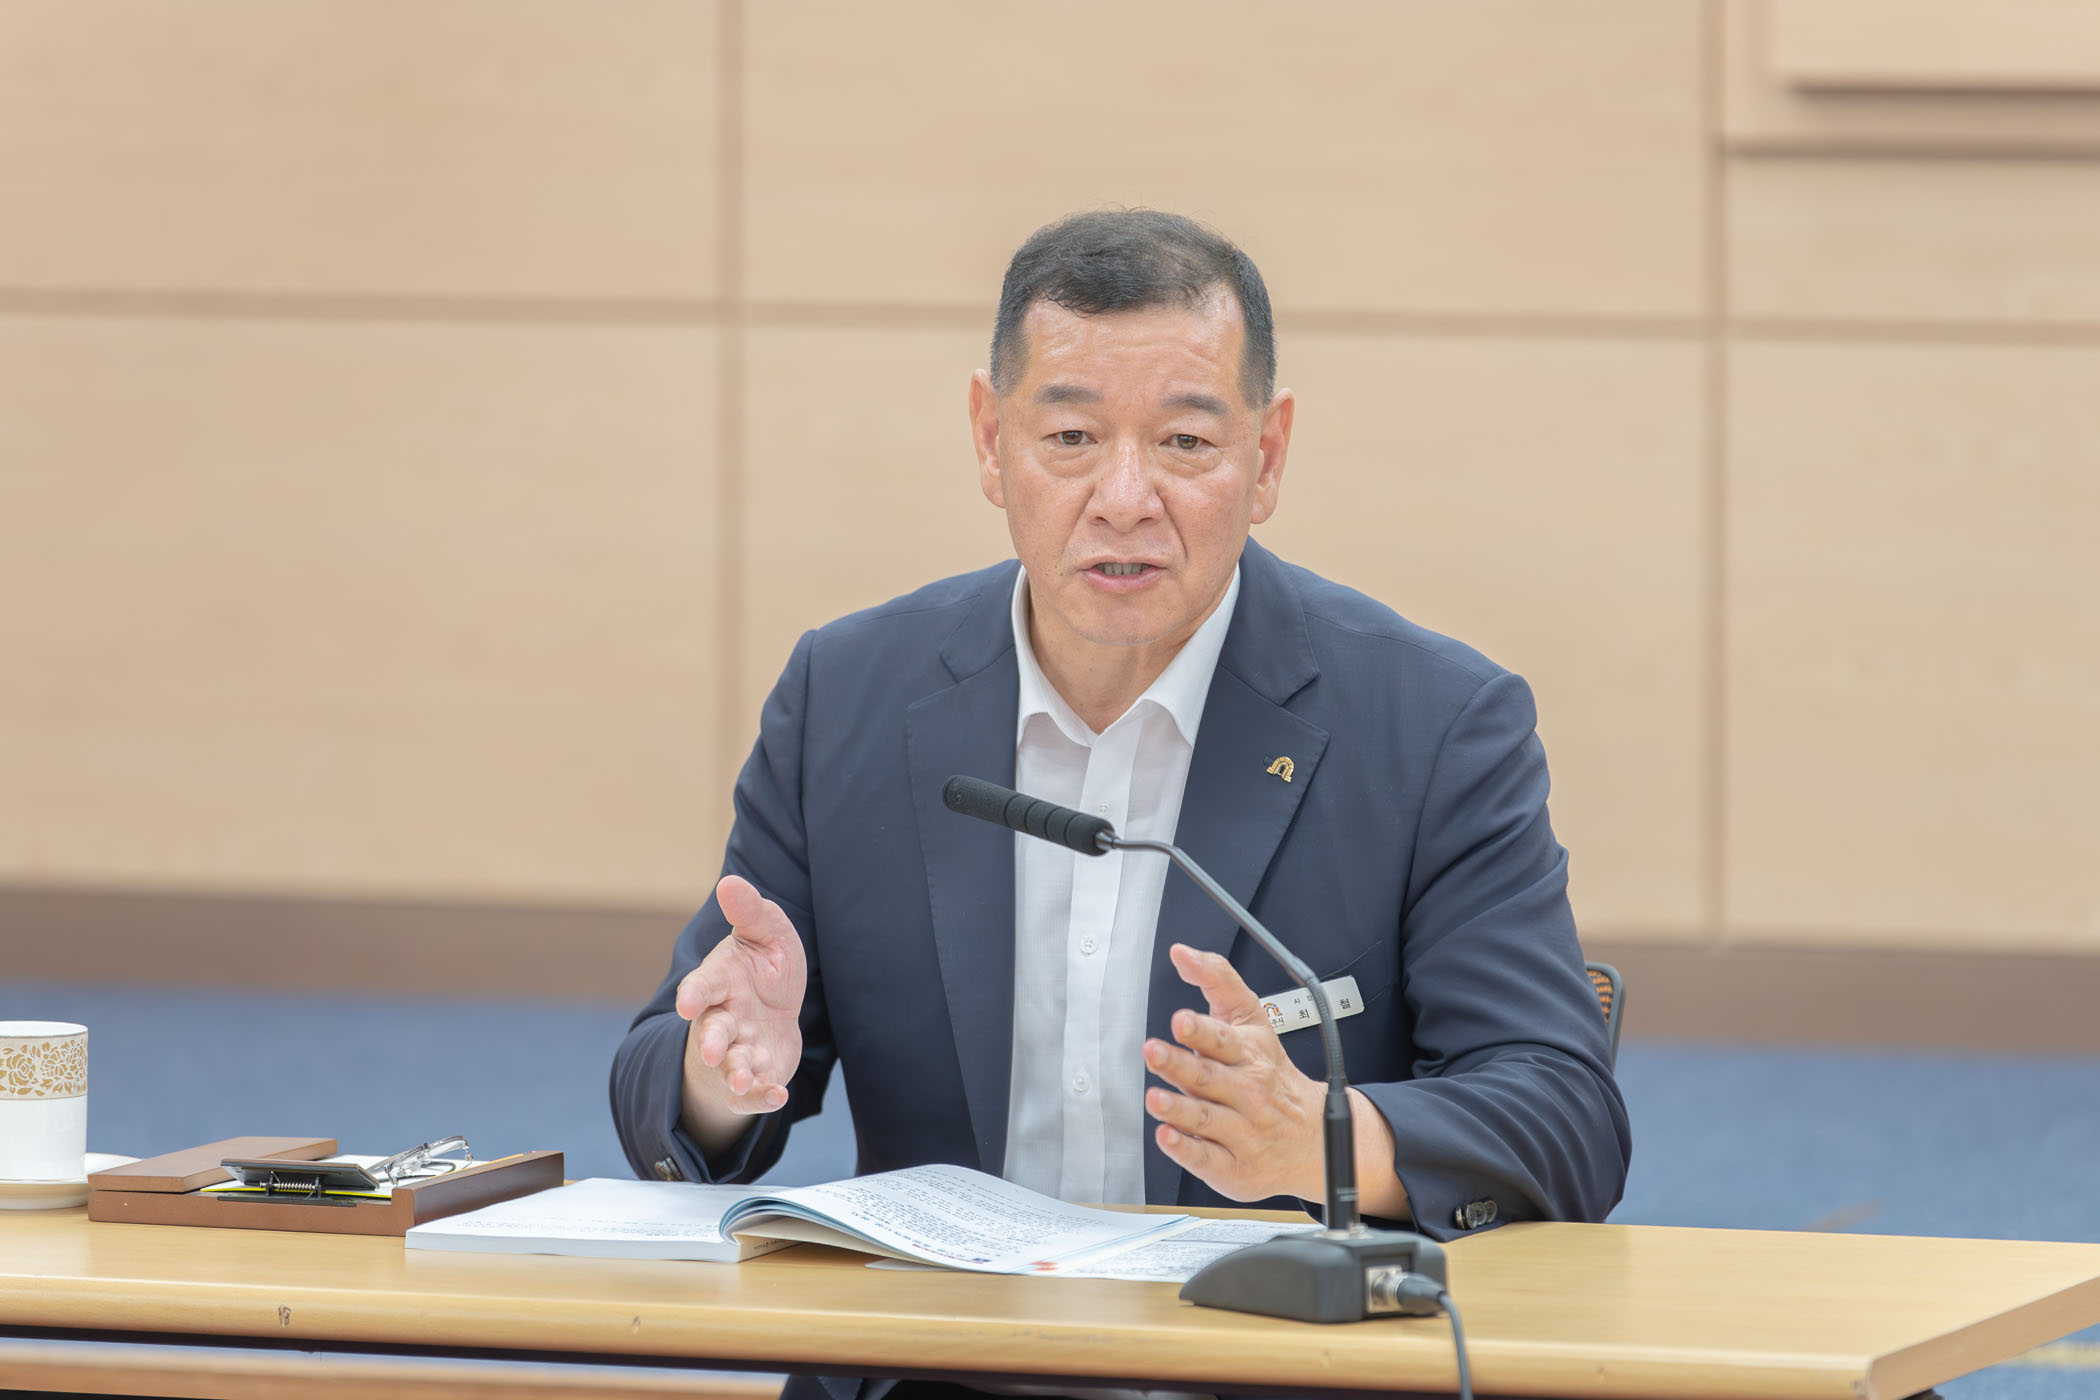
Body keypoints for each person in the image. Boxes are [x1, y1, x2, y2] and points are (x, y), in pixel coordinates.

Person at [611, 210, 1629, 1389]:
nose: (1125, 497)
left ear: (1268, 455)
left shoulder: (1432, 725)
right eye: (1072, 437)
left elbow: (1563, 1113)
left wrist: (1320, 1134)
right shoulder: (848, 697)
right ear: (990, 441)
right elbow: (660, 1088)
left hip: (1270, 1371)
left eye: (1186, 441)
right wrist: (723, 1067)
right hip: (937, 1369)